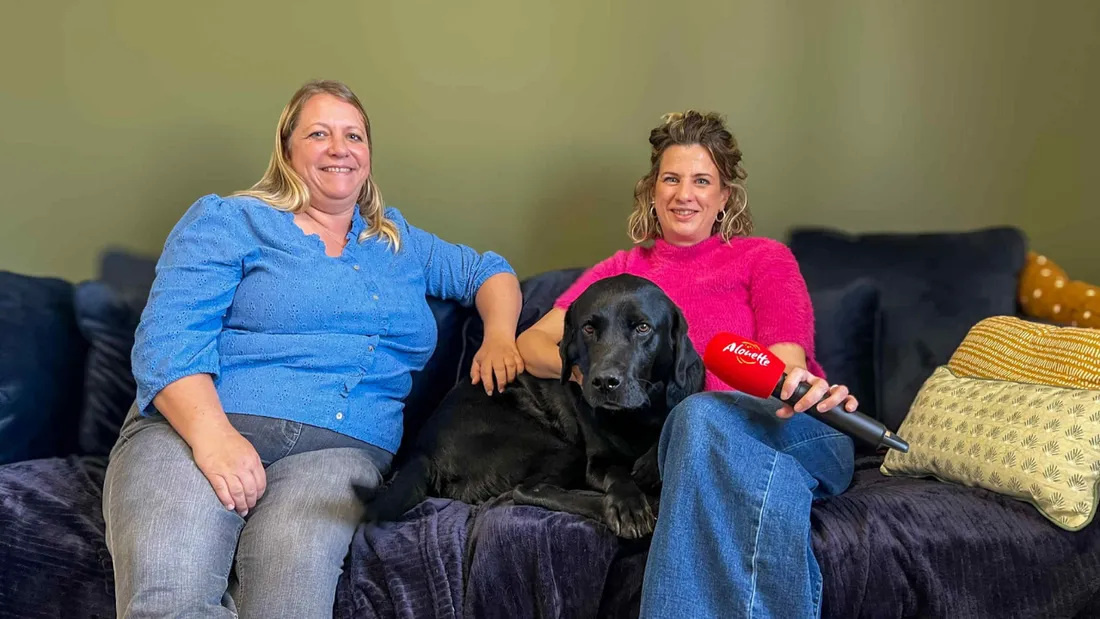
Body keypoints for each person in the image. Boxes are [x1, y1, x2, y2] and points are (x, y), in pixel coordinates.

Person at [102, 79, 525, 618]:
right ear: (286, 149)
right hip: (198, 426)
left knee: (288, 606)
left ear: (368, 155)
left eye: (353, 135)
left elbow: (488, 271)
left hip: (339, 452)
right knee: (171, 602)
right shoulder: (230, 220)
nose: (339, 148)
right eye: (318, 133)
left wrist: (499, 337)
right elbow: (168, 338)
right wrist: (214, 437)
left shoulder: (398, 240)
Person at [516, 110, 858, 619]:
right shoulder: (622, 270)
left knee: (696, 414)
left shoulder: (764, 259)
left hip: (789, 428)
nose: (684, 194)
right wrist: (597, 372)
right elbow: (532, 343)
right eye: (671, 179)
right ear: (651, 191)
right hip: (688, 443)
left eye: (702, 181)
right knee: (692, 424)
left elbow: (783, 366)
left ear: (724, 197)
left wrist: (797, 388)